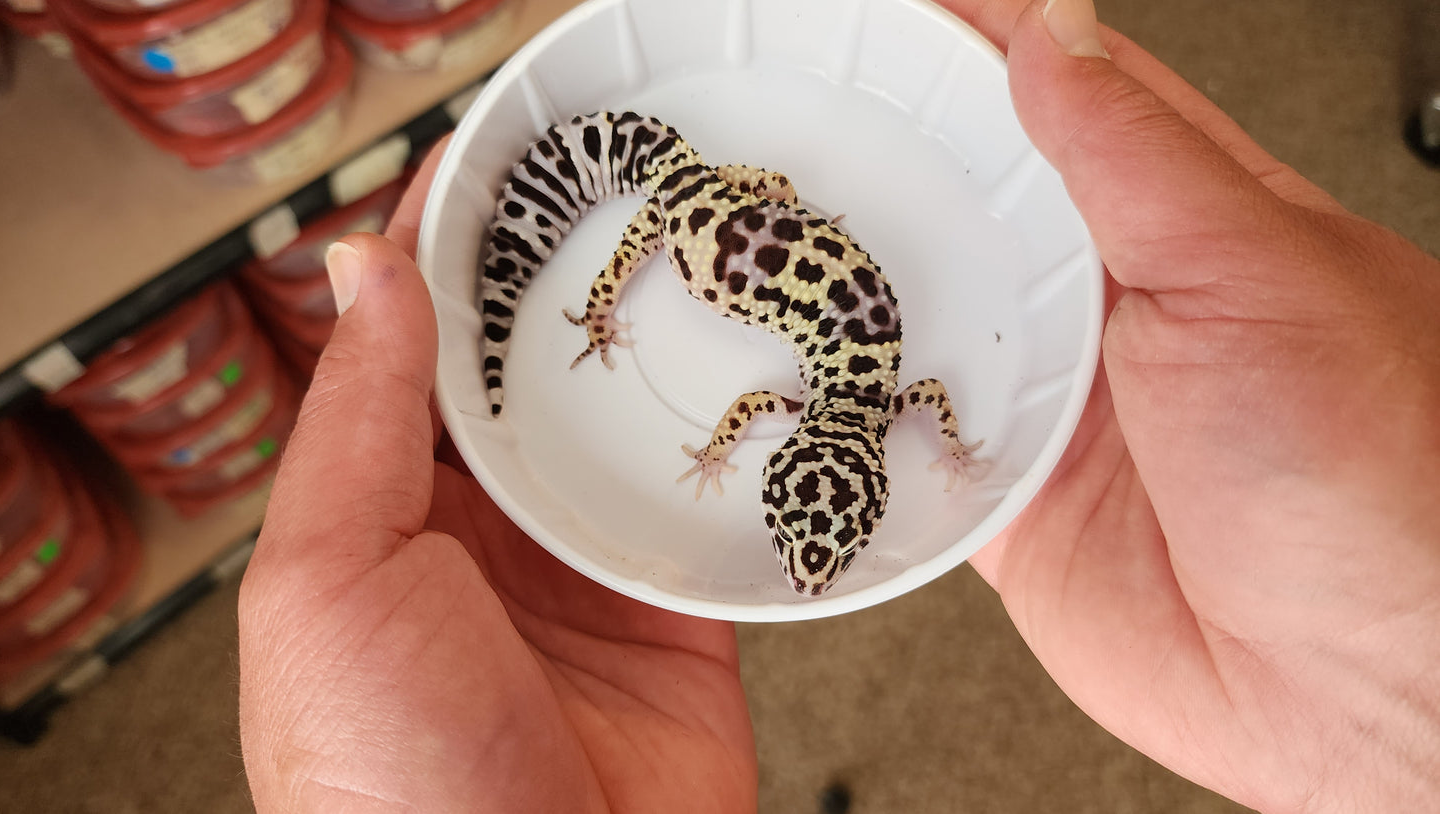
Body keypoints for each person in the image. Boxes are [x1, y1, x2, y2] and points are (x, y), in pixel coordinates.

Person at [236, 0, 1440, 810]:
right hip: (692, 209)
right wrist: (611, 307)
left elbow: (815, 403)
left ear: (827, 463)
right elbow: (812, 401)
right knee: (598, 247)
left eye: (805, 536)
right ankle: (538, 305)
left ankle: (550, 298)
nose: (807, 568)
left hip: (731, 201)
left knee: (624, 232)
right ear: (837, 471)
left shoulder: (860, 398)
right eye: (821, 536)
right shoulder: (841, 397)